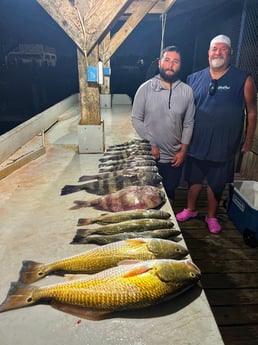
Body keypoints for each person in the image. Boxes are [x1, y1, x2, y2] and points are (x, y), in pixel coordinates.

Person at [176, 34, 257, 234]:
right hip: (197, 142)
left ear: (230, 53)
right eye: (214, 49)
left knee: (217, 183)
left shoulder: (243, 79)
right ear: (209, 53)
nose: (218, 52)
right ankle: (191, 209)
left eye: (223, 49)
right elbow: (185, 110)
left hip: (225, 144)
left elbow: (252, 112)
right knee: (193, 179)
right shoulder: (193, 78)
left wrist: (247, 142)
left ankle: (211, 216)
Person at [131, 45, 195, 202]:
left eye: (175, 61)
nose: (171, 65)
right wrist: (151, 144)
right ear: (160, 63)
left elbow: (188, 123)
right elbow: (136, 118)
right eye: (167, 60)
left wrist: (183, 151)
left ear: (180, 65)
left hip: (175, 158)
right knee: (146, 196)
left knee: (170, 193)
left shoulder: (187, 91)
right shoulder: (145, 88)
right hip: (149, 157)